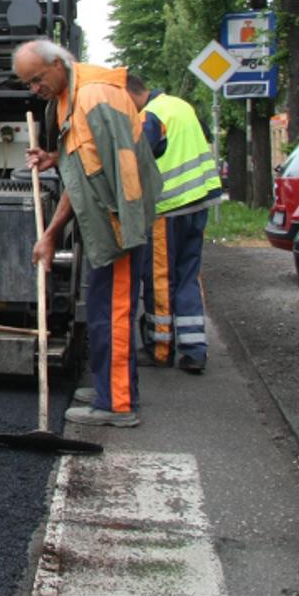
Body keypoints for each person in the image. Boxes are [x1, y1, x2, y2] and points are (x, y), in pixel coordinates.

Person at [18, 39, 162, 428]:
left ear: (56, 64)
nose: (34, 90)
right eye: (28, 84)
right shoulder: (70, 95)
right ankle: (109, 386)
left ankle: (116, 403)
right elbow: (83, 168)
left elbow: (124, 169)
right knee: (100, 310)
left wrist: (124, 234)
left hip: (117, 229)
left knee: (112, 315)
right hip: (105, 225)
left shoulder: (95, 97)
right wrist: (54, 158)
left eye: (35, 80)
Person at [125, 74, 222, 373]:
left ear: (131, 95)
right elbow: (204, 138)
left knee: (160, 280)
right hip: (199, 202)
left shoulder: (149, 117)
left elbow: (136, 160)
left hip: (169, 209)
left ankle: (160, 348)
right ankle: (195, 351)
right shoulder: (180, 106)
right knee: (188, 275)